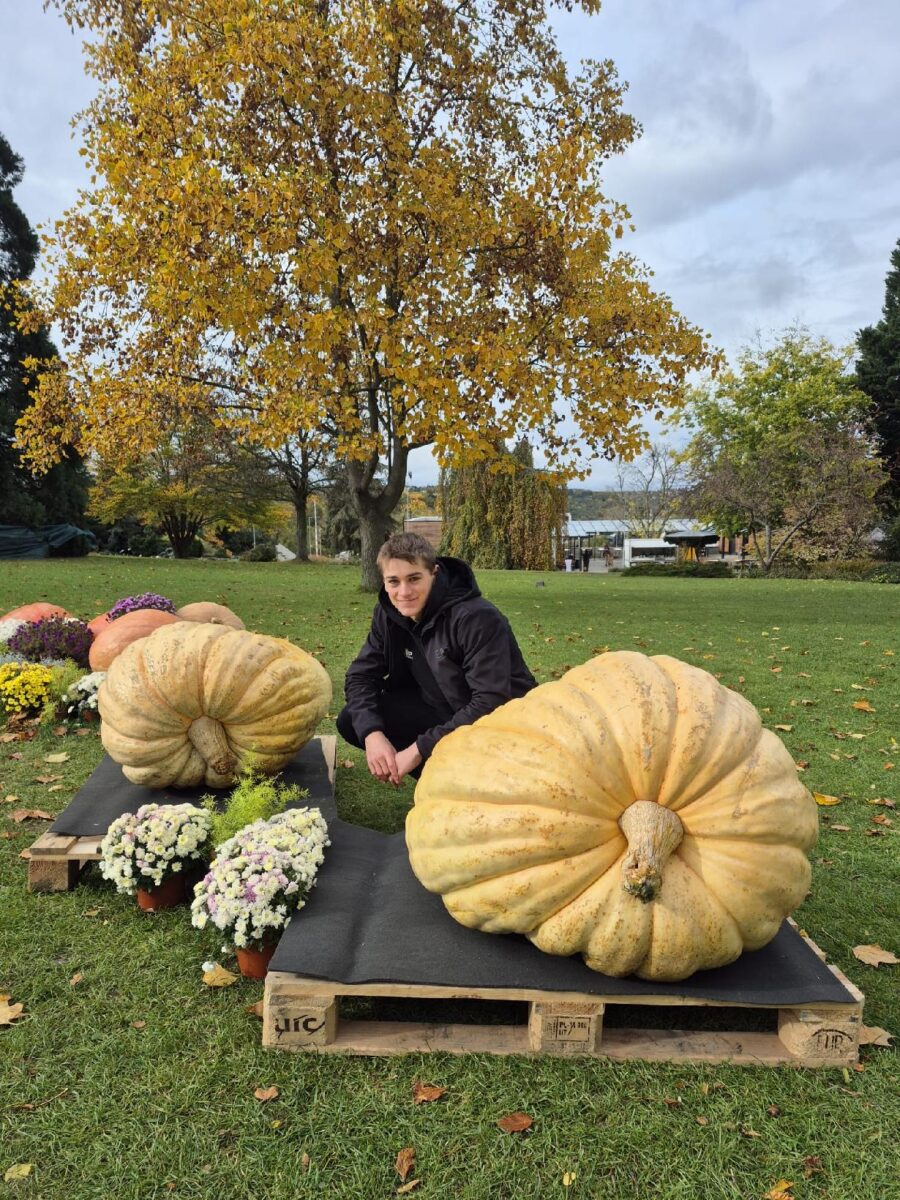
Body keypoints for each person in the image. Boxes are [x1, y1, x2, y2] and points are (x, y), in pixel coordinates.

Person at [337, 532, 536, 785]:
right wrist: (372, 735)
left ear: (434, 572)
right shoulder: (388, 614)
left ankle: (474, 781)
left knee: (431, 746)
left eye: (414, 578)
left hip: (503, 724)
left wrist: (418, 749)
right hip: (440, 707)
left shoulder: (476, 618)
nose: (404, 592)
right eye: (393, 581)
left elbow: (490, 701)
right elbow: (360, 676)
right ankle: (445, 783)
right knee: (353, 720)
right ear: (384, 582)